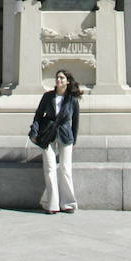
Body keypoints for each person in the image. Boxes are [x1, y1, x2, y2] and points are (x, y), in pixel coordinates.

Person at [34, 69, 81, 214]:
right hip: (47, 135)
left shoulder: (72, 100)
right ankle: (52, 204)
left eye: (61, 78)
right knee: (50, 168)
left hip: (65, 136)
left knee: (66, 169)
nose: (58, 80)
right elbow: (38, 115)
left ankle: (67, 203)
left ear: (67, 81)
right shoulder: (48, 97)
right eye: (57, 78)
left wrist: (74, 141)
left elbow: (75, 123)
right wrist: (34, 132)